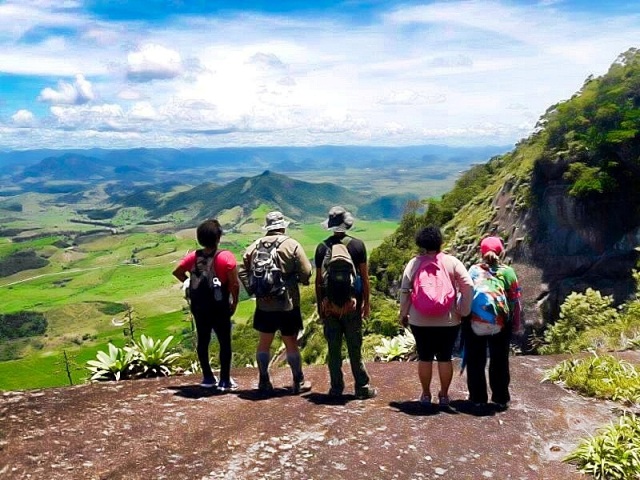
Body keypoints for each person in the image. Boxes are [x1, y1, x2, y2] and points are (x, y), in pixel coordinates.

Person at [397, 226, 473, 407]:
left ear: (421, 244)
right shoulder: (452, 262)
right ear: (441, 242)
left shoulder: (413, 264)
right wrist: (463, 310)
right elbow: (468, 285)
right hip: (449, 319)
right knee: (445, 357)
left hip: (419, 319)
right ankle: (444, 396)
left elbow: (405, 291)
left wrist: (403, 314)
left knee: (424, 357)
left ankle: (425, 395)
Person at [238, 211, 313, 395]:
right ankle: (298, 381)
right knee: (291, 343)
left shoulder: (254, 246)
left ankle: (264, 381)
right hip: (287, 303)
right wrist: (299, 280)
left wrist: (254, 290)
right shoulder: (291, 244)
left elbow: (241, 270)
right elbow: (307, 270)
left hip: (264, 304)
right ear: (282, 226)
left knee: (264, 343)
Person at [315, 206, 377, 400]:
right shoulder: (357, 246)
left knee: (334, 350)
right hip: (352, 306)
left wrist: (321, 307)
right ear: (347, 224)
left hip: (330, 307)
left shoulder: (322, 248)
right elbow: (365, 279)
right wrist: (365, 304)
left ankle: (336, 388)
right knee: (354, 348)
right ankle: (362, 387)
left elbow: (318, 282)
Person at [172, 219, 240, 391]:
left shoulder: (193, 257)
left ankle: (208, 377)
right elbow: (234, 284)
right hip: (219, 306)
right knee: (225, 342)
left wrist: (189, 283)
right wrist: (234, 301)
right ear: (218, 238)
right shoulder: (226, 257)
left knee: (203, 340)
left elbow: (177, 272)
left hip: (199, 307)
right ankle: (224, 380)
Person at [462, 236, 522, 410]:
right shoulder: (508, 272)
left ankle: (478, 397)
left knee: (475, 360)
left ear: (481, 252)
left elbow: (466, 296)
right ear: (501, 252)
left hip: (475, 322)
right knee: (500, 359)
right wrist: (515, 322)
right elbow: (514, 301)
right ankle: (500, 397)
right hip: (501, 323)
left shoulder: (473, 270)